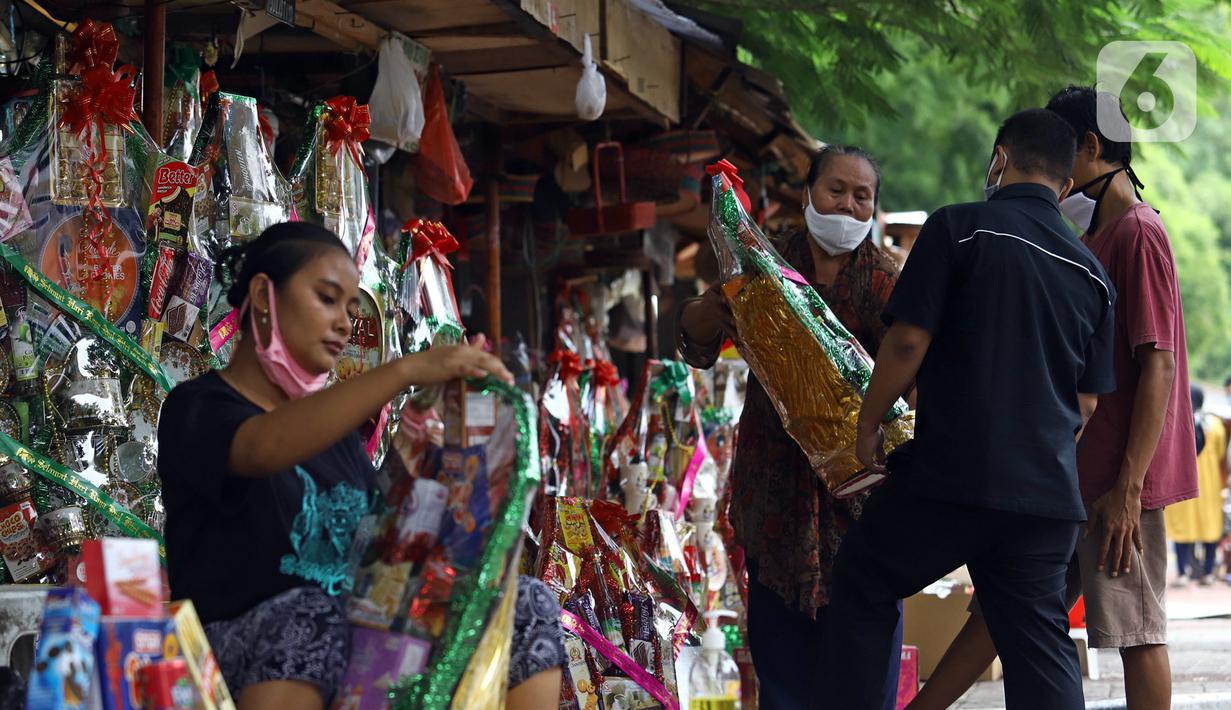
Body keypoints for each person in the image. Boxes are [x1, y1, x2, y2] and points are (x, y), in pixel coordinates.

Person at [907, 87, 1199, 710]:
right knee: (997, 612)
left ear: (1091, 148)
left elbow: (1160, 366)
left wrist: (1126, 489)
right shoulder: (1093, 237)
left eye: (1066, 150)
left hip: (1117, 481)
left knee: (1135, 634)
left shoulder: (1139, 232)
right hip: (1063, 476)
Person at [816, 109, 1116, 710]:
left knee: (861, 582)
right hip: (1046, 499)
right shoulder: (1092, 274)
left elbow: (906, 342)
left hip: (953, 479)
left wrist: (870, 422)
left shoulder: (960, 229)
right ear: (1064, 185)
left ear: (999, 159)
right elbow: (1086, 401)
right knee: (1038, 646)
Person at [157, 222, 513, 710]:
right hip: (231, 658)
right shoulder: (197, 409)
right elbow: (264, 446)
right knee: (312, 613)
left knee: (521, 608)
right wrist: (406, 370)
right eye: (328, 299)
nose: (346, 324)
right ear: (264, 295)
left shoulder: (339, 440)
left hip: (354, 655)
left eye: (351, 307)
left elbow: (385, 551)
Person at [677, 145, 903, 709]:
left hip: (861, 499)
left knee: (863, 662)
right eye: (835, 190)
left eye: (862, 196)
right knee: (782, 668)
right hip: (773, 488)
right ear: (807, 193)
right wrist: (705, 314)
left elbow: (919, 377)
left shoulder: (890, 282)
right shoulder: (763, 261)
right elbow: (697, 340)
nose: (847, 206)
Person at [1166, 386, 1226, 586]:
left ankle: (1183, 573)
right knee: (1210, 527)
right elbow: (1220, 455)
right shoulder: (1216, 425)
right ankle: (1208, 573)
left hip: (1182, 482)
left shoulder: (1177, 420)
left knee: (1182, 527)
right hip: (1209, 485)